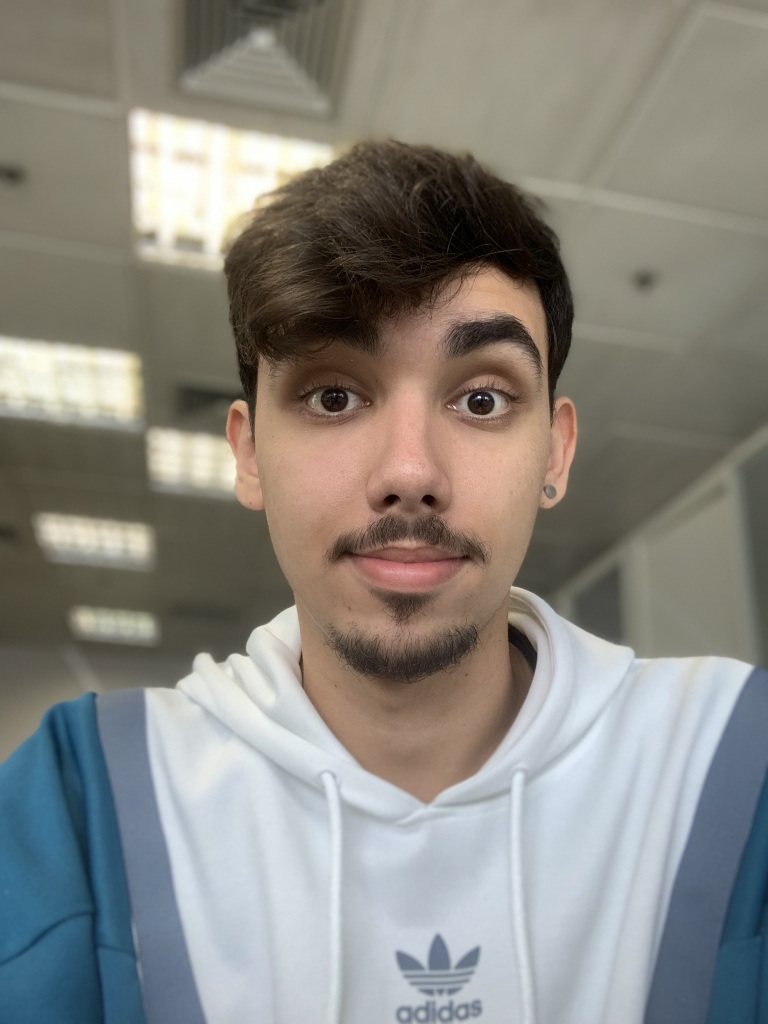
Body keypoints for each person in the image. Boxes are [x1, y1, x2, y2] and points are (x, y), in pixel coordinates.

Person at [1, 141, 766, 1024]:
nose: (410, 472)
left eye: (481, 399)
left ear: (555, 454)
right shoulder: (84, 805)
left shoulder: (736, 768)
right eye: (334, 396)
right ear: (248, 454)